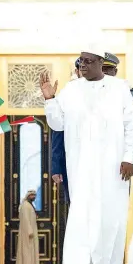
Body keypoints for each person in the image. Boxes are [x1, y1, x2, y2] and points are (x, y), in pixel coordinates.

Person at [40, 45, 133, 264]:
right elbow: (58, 124)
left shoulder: (120, 88)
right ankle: (82, 263)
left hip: (113, 166)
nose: (82, 66)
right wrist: (50, 99)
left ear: (100, 62)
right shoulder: (71, 90)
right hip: (81, 166)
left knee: (110, 215)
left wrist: (128, 158)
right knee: (81, 214)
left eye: (87, 61)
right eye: (80, 62)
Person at [102, 53, 133, 178]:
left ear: (115, 71)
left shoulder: (126, 91)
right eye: (102, 70)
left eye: (108, 70)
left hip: (120, 161)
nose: (105, 74)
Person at [50, 58, 82, 203]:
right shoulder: (68, 94)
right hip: (73, 161)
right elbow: (58, 131)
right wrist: (56, 167)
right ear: (77, 71)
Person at [16, 189, 40, 264]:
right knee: (27, 251)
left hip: (31, 231)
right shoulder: (25, 205)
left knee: (30, 251)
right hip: (27, 233)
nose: (34, 197)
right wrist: (29, 231)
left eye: (35, 195)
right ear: (28, 196)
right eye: (32, 195)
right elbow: (25, 219)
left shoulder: (29, 205)